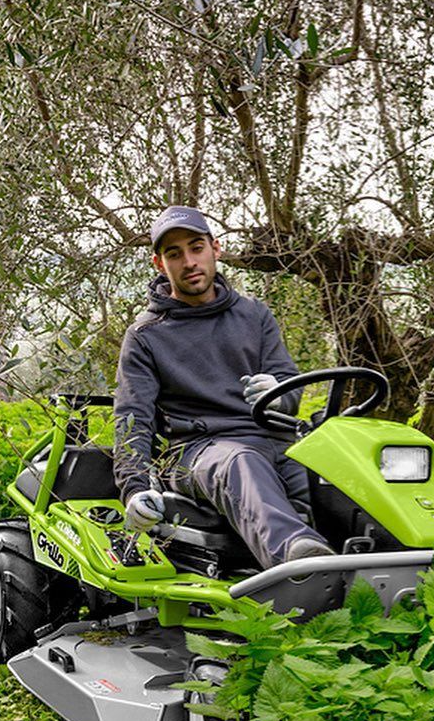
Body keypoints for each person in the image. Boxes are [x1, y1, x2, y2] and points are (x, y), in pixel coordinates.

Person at [113, 206, 335, 570]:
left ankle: (394, 564)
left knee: (333, 468)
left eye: (196, 247)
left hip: (273, 440)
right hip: (197, 451)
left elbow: (290, 391)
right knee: (240, 461)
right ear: (159, 264)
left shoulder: (254, 315)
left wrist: (278, 390)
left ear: (215, 249)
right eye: (174, 254)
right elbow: (132, 418)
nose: (189, 262)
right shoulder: (146, 336)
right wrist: (135, 487)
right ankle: (299, 568)